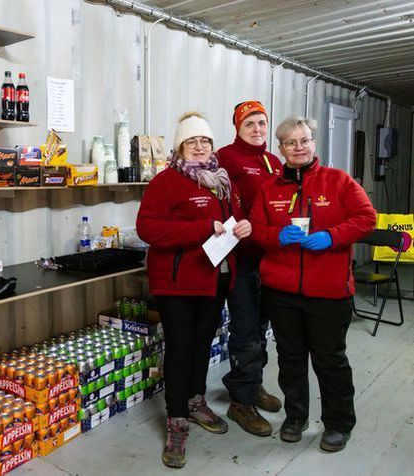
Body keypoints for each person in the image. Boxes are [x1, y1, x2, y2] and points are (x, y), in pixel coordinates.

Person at [249, 115, 376, 452]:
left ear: (313, 143)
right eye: (291, 143)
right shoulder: (269, 189)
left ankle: (338, 423)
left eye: (304, 140)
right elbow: (255, 230)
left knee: (330, 360)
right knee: (290, 359)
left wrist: (332, 237)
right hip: (282, 293)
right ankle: (296, 417)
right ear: (281, 149)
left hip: (328, 292)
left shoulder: (339, 181)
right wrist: (277, 235)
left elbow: (366, 219)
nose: (299, 148)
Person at [137, 112, 252, 468]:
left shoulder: (222, 181)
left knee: (202, 345)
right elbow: (147, 229)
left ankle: (195, 400)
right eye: (192, 142)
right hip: (177, 284)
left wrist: (243, 226)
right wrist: (202, 228)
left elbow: (231, 219)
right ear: (180, 148)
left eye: (205, 141)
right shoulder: (166, 182)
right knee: (180, 350)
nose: (200, 147)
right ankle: (177, 421)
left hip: (215, 279)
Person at [217, 100, 283, 437]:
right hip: (241, 258)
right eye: (250, 124)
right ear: (238, 127)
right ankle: (240, 402)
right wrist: (242, 223)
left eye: (261, 123)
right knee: (244, 330)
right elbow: (222, 202)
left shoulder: (273, 161)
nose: (258, 129)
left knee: (260, 329)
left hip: (270, 257)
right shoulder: (225, 157)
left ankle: (252, 385)